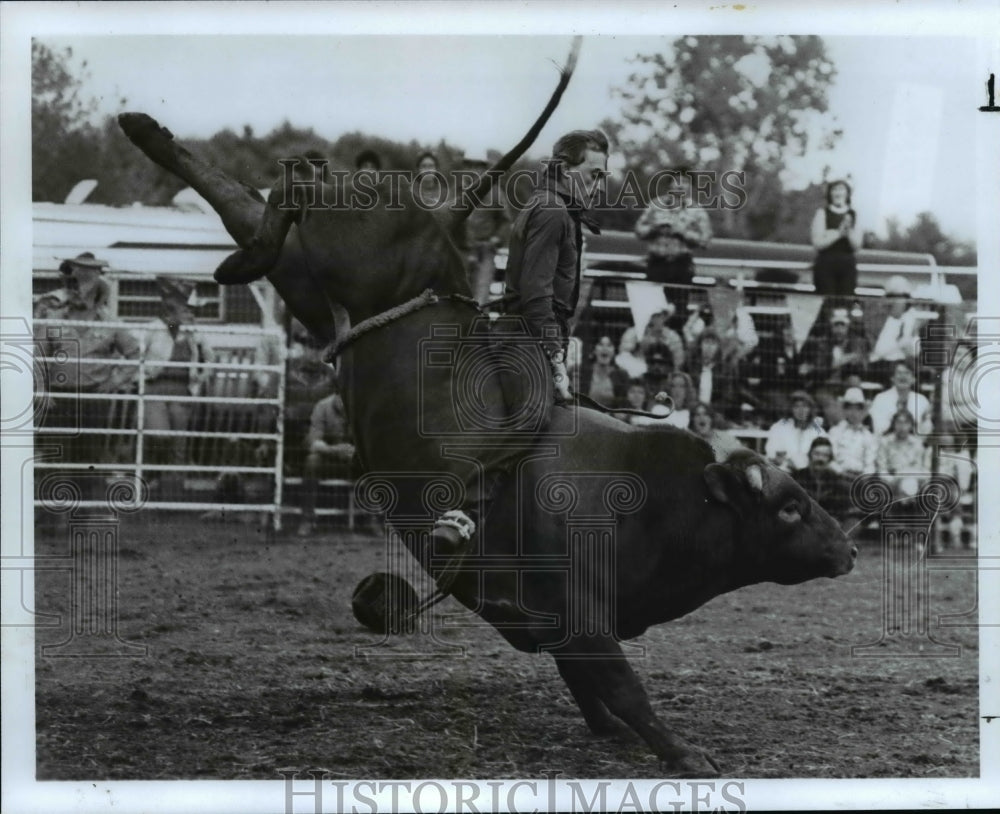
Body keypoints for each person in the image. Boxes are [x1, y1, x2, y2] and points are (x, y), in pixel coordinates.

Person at [503, 128, 609, 401]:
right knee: (536, 429)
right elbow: (536, 293)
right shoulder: (553, 211)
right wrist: (555, 356)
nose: (600, 186)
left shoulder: (553, 207)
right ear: (563, 169)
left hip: (531, 338)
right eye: (594, 175)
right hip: (530, 341)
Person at [33, 252, 141, 466]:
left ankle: (90, 498)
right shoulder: (54, 320)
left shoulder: (110, 322)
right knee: (58, 455)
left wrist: (114, 382)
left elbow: (134, 354)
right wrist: (41, 390)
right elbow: (37, 357)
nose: (77, 292)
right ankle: (56, 497)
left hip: (94, 396)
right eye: (73, 285)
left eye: (83, 285)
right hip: (59, 397)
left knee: (91, 455)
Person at [141, 276, 214, 485]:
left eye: (192, 311)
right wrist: (141, 377)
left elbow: (210, 358)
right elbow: (135, 355)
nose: (190, 315)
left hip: (182, 391)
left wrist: (201, 377)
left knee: (179, 442)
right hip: (155, 389)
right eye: (186, 310)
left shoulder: (194, 334)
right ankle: (151, 473)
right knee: (159, 435)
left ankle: (174, 488)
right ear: (171, 311)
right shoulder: (153, 328)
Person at [634, 172, 712, 323]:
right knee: (652, 308)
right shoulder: (655, 205)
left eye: (685, 182)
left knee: (679, 310)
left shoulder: (696, 210)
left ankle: (674, 342)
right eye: (677, 181)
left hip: (681, 265)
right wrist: (655, 229)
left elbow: (705, 240)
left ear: (690, 187)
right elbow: (639, 230)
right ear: (670, 184)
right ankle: (651, 343)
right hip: (656, 264)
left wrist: (683, 233)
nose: (680, 185)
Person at [297, 389, 356, 536]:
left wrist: (354, 451)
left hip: (352, 458)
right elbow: (314, 443)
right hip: (328, 458)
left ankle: (373, 518)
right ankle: (307, 518)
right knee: (312, 461)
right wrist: (335, 450)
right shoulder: (322, 406)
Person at [461, 155, 511, 304]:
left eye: (477, 165)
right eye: (469, 165)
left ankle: (477, 324)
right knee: (458, 295)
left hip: (485, 250)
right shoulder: (456, 191)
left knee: (480, 298)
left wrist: (495, 239)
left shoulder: (495, 192)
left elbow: (506, 220)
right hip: (461, 252)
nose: (473, 169)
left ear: (484, 168)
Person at [868, 275, 925, 385]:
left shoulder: (911, 319)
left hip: (905, 364)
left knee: (911, 371)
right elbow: (879, 352)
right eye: (891, 297)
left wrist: (907, 342)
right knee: (897, 371)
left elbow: (915, 351)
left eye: (901, 297)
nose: (895, 301)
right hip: (882, 365)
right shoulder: (880, 320)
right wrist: (901, 344)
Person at [797, 307, 869, 390]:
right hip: (824, 384)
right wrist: (843, 360)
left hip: (845, 385)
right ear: (831, 328)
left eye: (842, 326)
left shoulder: (854, 344)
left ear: (847, 328)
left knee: (854, 382)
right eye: (836, 326)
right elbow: (820, 368)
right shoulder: (822, 345)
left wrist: (856, 364)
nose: (839, 330)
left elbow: (863, 367)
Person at [811, 179, 859, 299]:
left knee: (845, 304)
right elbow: (818, 243)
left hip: (847, 266)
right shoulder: (822, 213)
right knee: (827, 303)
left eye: (842, 189)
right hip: (826, 265)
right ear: (829, 193)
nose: (838, 193)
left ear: (847, 193)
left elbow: (857, 245)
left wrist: (845, 233)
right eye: (834, 189)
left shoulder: (854, 214)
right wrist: (838, 233)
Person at [764, 390, 827, 474]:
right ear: (791, 409)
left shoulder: (817, 429)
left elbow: (826, 452)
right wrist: (785, 462)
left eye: (805, 406)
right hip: (785, 472)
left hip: (810, 474)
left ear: (810, 409)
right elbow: (771, 452)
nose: (801, 410)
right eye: (796, 406)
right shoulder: (780, 426)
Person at [792, 437, 852, 523]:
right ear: (809, 455)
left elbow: (841, 513)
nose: (820, 459)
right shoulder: (796, 478)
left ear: (830, 459)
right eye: (816, 454)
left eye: (825, 455)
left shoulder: (836, 481)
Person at [686, 329, 740, 421]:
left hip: (714, 414)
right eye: (706, 342)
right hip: (690, 412)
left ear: (718, 347)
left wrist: (708, 412)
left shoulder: (726, 370)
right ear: (700, 345)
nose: (709, 347)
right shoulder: (688, 366)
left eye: (713, 343)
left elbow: (728, 398)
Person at [875, 409, 929, 501]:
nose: (902, 427)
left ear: (911, 426)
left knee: (913, 482)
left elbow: (920, 468)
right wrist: (893, 480)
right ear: (894, 424)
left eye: (906, 423)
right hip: (891, 481)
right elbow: (881, 468)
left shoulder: (917, 444)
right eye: (899, 423)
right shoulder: (885, 442)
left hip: (912, 480)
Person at [869, 362, 932, 436]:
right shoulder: (880, 399)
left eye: (907, 373)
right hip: (887, 443)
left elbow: (926, 430)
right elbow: (878, 428)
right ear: (892, 378)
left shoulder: (922, 400)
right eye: (899, 373)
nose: (903, 376)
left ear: (913, 379)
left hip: (914, 443)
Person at [827, 387, 878, 479]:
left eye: (857, 409)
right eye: (849, 409)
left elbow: (870, 463)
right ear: (844, 411)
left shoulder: (868, 436)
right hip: (838, 477)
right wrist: (840, 472)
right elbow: (830, 458)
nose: (853, 413)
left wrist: (864, 477)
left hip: (861, 478)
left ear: (862, 411)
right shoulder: (835, 432)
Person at [576, 334, 629, 409]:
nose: (605, 348)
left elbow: (623, 406)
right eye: (600, 344)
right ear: (594, 350)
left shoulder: (622, 375)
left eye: (609, 345)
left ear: (614, 351)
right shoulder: (581, 372)